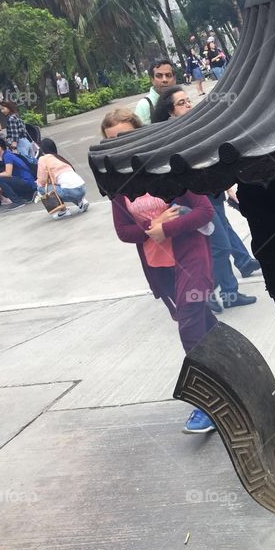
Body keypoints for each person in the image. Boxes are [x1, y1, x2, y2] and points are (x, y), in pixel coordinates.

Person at [100, 107, 219, 433]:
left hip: (191, 256)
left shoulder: (167, 166)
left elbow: (204, 211)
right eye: (112, 140)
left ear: (142, 133)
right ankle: (234, 370)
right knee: (203, 322)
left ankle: (208, 402)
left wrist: (167, 227)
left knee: (190, 323)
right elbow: (123, 231)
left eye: (126, 136)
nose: (120, 144)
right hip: (160, 266)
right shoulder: (116, 182)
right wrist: (152, 229)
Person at [151, 87, 259, 311]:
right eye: (181, 103)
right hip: (194, 197)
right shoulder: (171, 135)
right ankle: (207, 290)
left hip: (212, 191)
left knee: (222, 242)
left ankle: (229, 292)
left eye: (188, 100)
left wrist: (226, 186)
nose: (188, 105)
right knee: (220, 246)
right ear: (170, 111)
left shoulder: (194, 126)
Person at [36, 138, 89, 217]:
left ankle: (63, 211)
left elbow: (42, 180)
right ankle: (81, 202)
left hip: (71, 190)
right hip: (82, 188)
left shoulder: (43, 159)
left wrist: (38, 182)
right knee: (64, 186)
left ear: (42, 149)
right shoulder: (58, 158)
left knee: (40, 188)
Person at [0, 137, 36, 204]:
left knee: (0, 180)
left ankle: (17, 202)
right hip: (25, 180)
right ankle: (21, 197)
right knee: (1, 180)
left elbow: (8, 173)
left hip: (27, 182)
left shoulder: (7, 156)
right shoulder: (7, 155)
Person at [135, 58, 177, 125]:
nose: (164, 80)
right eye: (159, 76)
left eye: (168, 75)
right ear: (152, 80)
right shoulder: (144, 105)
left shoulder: (181, 99)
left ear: (174, 79)